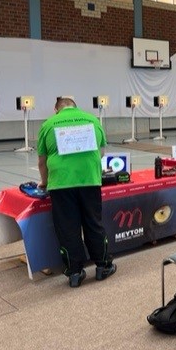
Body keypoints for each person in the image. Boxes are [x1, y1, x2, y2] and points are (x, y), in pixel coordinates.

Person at [37, 97, 116, 288]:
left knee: (68, 228)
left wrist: (45, 182)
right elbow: (101, 152)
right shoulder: (92, 120)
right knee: (93, 223)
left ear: (56, 109)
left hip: (61, 183)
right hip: (90, 180)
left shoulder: (48, 124)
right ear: (75, 107)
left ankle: (75, 273)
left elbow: (42, 161)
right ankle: (103, 266)